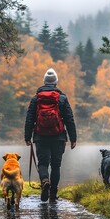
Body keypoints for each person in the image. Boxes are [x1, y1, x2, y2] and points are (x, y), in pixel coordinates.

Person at [25, 68, 77, 203]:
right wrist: (73, 138)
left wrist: (27, 137)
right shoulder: (62, 98)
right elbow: (69, 119)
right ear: (56, 82)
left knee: (43, 163)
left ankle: (44, 181)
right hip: (58, 136)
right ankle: (53, 195)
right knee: (56, 166)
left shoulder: (36, 99)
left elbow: (30, 119)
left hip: (40, 136)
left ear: (44, 81)